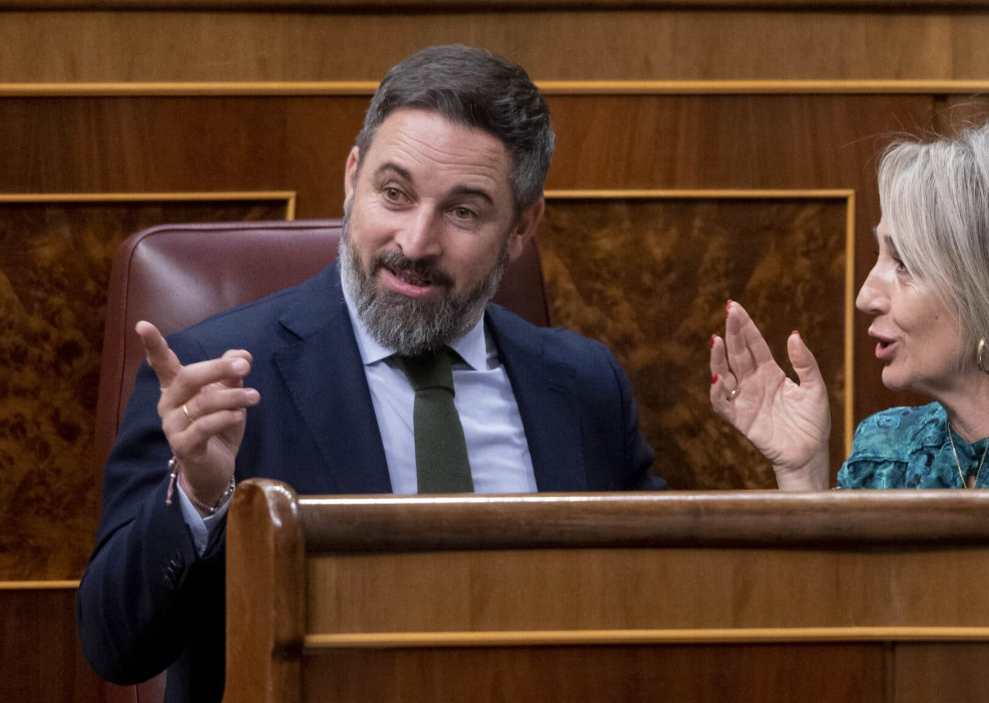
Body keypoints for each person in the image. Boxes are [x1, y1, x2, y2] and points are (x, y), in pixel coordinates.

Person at [78, 44, 663, 703]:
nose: (415, 243)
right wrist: (197, 497)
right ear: (353, 177)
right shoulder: (214, 378)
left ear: (524, 224)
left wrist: (799, 486)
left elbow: (671, 603)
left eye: (463, 211)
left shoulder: (584, 385)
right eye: (394, 192)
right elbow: (116, 646)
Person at [709, 120, 989, 490]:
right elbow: (838, 607)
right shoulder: (884, 452)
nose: (865, 296)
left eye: (903, 262)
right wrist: (802, 472)